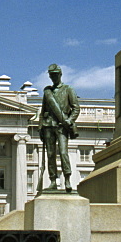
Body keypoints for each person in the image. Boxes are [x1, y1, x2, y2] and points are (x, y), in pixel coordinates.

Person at [38, 64, 80, 192]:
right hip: (49, 126)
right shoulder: (47, 91)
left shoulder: (68, 89)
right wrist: (40, 128)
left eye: (56, 75)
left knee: (63, 153)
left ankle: (67, 179)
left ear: (60, 75)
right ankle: (53, 181)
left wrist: (69, 120)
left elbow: (76, 108)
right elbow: (43, 110)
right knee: (50, 155)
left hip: (62, 126)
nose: (54, 77)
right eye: (52, 75)